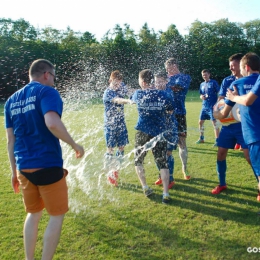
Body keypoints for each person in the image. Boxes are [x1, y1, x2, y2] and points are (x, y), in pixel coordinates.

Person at [4, 59, 85, 260]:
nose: (54, 82)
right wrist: (75, 145)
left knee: (33, 214)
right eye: (54, 77)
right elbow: (52, 123)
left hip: (24, 169)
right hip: (48, 165)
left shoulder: (11, 101)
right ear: (47, 74)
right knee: (56, 216)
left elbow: (10, 141)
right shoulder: (47, 92)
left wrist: (14, 173)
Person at [131, 69, 174, 204]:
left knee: (138, 161)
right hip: (159, 132)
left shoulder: (138, 94)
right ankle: (165, 193)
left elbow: (131, 101)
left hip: (142, 132)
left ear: (143, 82)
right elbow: (170, 110)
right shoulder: (163, 94)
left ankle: (145, 187)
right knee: (162, 163)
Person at [212, 53, 251, 195]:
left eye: (234, 66)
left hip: (244, 126)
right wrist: (219, 106)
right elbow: (221, 98)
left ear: (242, 65)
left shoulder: (249, 81)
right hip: (228, 125)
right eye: (230, 67)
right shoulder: (227, 80)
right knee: (220, 154)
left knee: (249, 157)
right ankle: (222, 184)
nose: (232, 69)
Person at [224, 52, 260, 200]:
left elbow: (247, 101)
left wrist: (233, 98)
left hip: (255, 136)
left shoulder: (237, 84)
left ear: (246, 67)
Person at [103, 70, 133, 186]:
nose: (117, 86)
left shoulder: (122, 86)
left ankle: (115, 171)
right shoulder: (108, 93)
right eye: (115, 83)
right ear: (110, 80)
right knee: (110, 149)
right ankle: (109, 172)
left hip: (121, 123)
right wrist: (128, 101)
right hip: (110, 125)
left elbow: (130, 91)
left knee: (121, 147)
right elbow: (117, 100)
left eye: (119, 83)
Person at [164, 58, 191, 180]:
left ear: (175, 66)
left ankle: (184, 169)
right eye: (166, 69)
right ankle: (165, 173)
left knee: (181, 142)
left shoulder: (184, 77)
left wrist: (164, 84)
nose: (168, 71)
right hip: (166, 115)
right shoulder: (165, 79)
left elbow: (177, 87)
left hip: (179, 114)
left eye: (169, 69)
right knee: (165, 144)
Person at [153, 72, 179, 189]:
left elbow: (169, 111)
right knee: (158, 153)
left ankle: (170, 178)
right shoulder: (154, 93)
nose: (157, 84)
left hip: (169, 128)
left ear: (165, 81)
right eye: (156, 81)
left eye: (160, 81)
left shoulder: (168, 93)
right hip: (157, 128)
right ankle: (162, 175)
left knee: (167, 153)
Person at [196, 69, 220, 146]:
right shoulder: (202, 84)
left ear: (209, 74)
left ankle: (218, 140)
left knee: (214, 123)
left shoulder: (213, 83)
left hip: (212, 107)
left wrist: (217, 104)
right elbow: (200, 94)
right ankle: (201, 138)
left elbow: (219, 92)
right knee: (200, 122)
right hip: (204, 106)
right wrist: (201, 97)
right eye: (203, 75)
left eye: (206, 75)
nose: (204, 76)